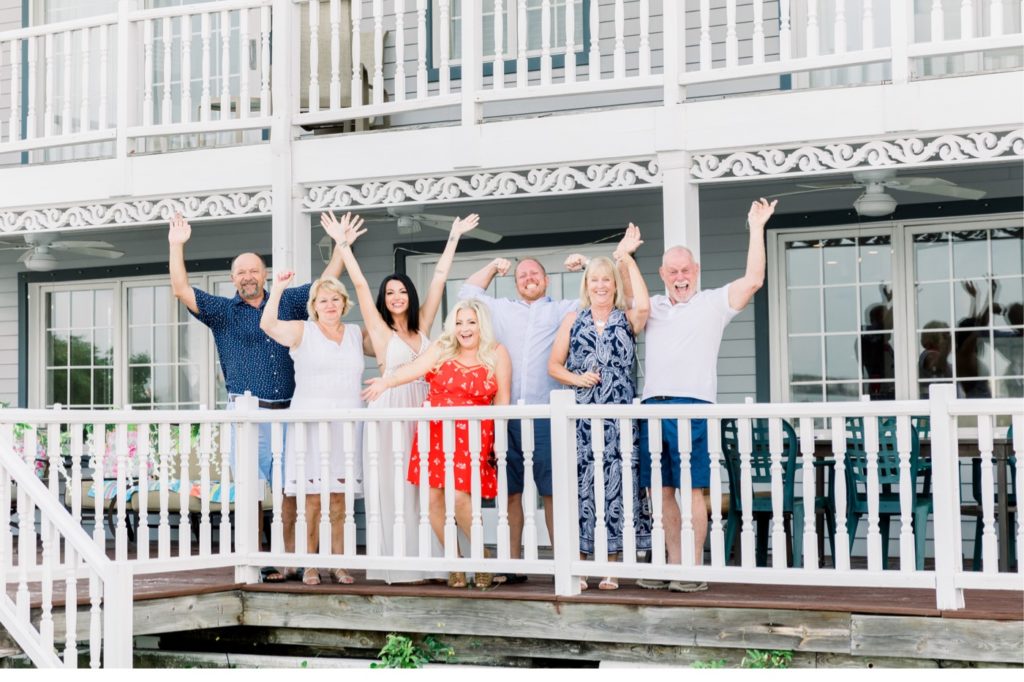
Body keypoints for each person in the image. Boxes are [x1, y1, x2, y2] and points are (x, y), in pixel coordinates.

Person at [168, 211, 347, 583]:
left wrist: (341, 244)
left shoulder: (290, 301)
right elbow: (181, 289)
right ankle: (252, 561)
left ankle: (286, 561)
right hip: (246, 415)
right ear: (232, 279)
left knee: (289, 491)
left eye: (253, 270)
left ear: (264, 273)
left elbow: (329, 282)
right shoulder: (221, 311)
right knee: (250, 492)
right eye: (240, 272)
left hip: (287, 412)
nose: (247, 277)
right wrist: (176, 245)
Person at [320, 209, 481, 584]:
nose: (396, 297)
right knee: (395, 489)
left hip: (424, 411)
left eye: (402, 291)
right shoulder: (378, 330)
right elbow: (358, 284)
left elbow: (439, 278)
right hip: (389, 411)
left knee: (428, 488)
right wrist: (342, 244)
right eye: (389, 292)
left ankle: (441, 563)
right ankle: (403, 567)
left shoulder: (423, 325)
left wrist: (453, 236)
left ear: (409, 295)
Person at [636, 198, 777, 593]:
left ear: (696, 271)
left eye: (686, 270)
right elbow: (608, 300)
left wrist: (756, 227)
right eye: (673, 271)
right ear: (662, 274)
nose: (680, 277)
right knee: (659, 490)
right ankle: (673, 565)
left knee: (692, 488)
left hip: (693, 406)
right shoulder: (653, 305)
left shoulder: (713, 302)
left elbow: (753, 280)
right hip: (651, 408)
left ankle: (693, 568)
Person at [362, 299, 512, 589]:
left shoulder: (496, 353)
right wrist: (386, 383)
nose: (464, 328)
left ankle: (482, 556)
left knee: (458, 497)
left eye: (470, 322)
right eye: (458, 322)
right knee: (432, 502)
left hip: (473, 435)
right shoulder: (443, 348)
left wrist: (498, 437)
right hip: (435, 432)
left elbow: (502, 398)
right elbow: (415, 369)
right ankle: (455, 561)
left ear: (482, 324)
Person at [458, 253, 586, 581]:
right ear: (515, 283)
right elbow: (466, 296)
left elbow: (599, 295)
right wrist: (491, 266)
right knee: (510, 492)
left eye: (534, 274)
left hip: (546, 414)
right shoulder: (500, 309)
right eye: (521, 275)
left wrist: (586, 265)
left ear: (546, 280)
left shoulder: (561, 309)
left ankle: (563, 565)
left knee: (553, 491)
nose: (528, 278)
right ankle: (513, 565)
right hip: (507, 413)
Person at [548, 226, 651, 591]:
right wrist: (578, 381)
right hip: (584, 421)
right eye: (595, 279)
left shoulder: (627, 317)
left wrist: (626, 260)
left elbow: (645, 304)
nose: (601, 285)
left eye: (606, 279)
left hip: (620, 419)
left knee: (621, 489)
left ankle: (615, 567)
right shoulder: (573, 319)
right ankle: (587, 562)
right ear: (586, 284)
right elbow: (554, 365)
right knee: (586, 490)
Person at [260, 271, 364, 585]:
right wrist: (277, 288)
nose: (330, 305)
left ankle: (339, 563)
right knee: (312, 498)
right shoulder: (303, 331)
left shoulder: (357, 334)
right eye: (323, 300)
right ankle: (310, 563)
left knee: (339, 498)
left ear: (344, 303)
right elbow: (267, 324)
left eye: (335, 299)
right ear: (314, 306)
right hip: (311, 426)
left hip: (345, 426)